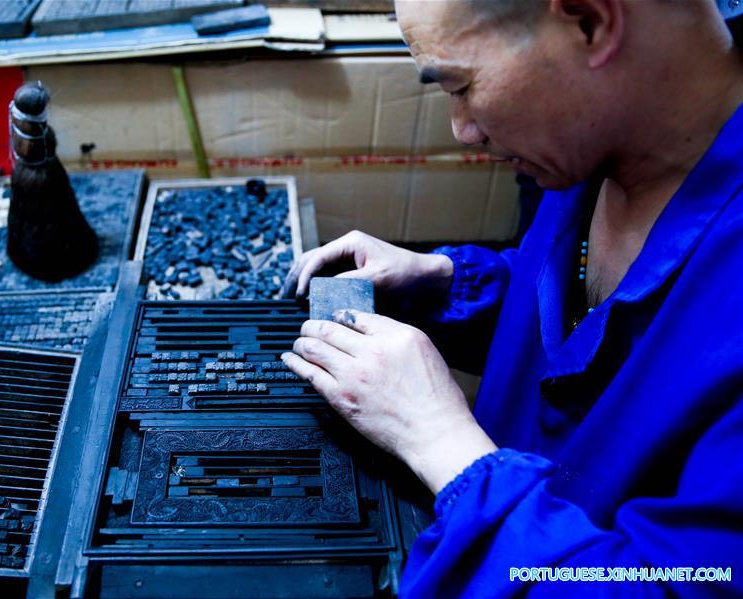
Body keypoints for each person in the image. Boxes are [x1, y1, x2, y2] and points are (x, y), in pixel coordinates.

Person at [280, 0, 743, 596]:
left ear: (589, 22)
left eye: (462, 86)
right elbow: (602, 334)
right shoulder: (601, 138)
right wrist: (447, 284)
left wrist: (441, 442)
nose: (463, 130)